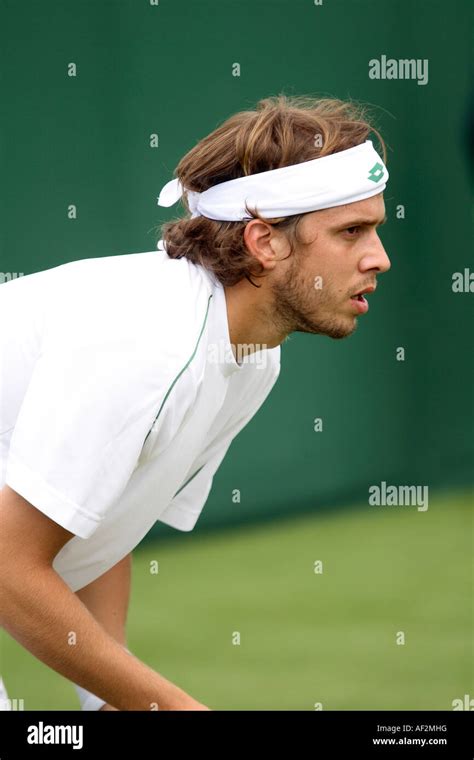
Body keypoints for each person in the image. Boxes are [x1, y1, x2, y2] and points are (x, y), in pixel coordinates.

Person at [0, 94, 391, 711]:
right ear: (265, 241)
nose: (380, 258)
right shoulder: (147, 347)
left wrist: (102, 703)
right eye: (351, 232)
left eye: (375, 229)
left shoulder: (253, 355)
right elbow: (8, 570)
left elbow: (104, 517)